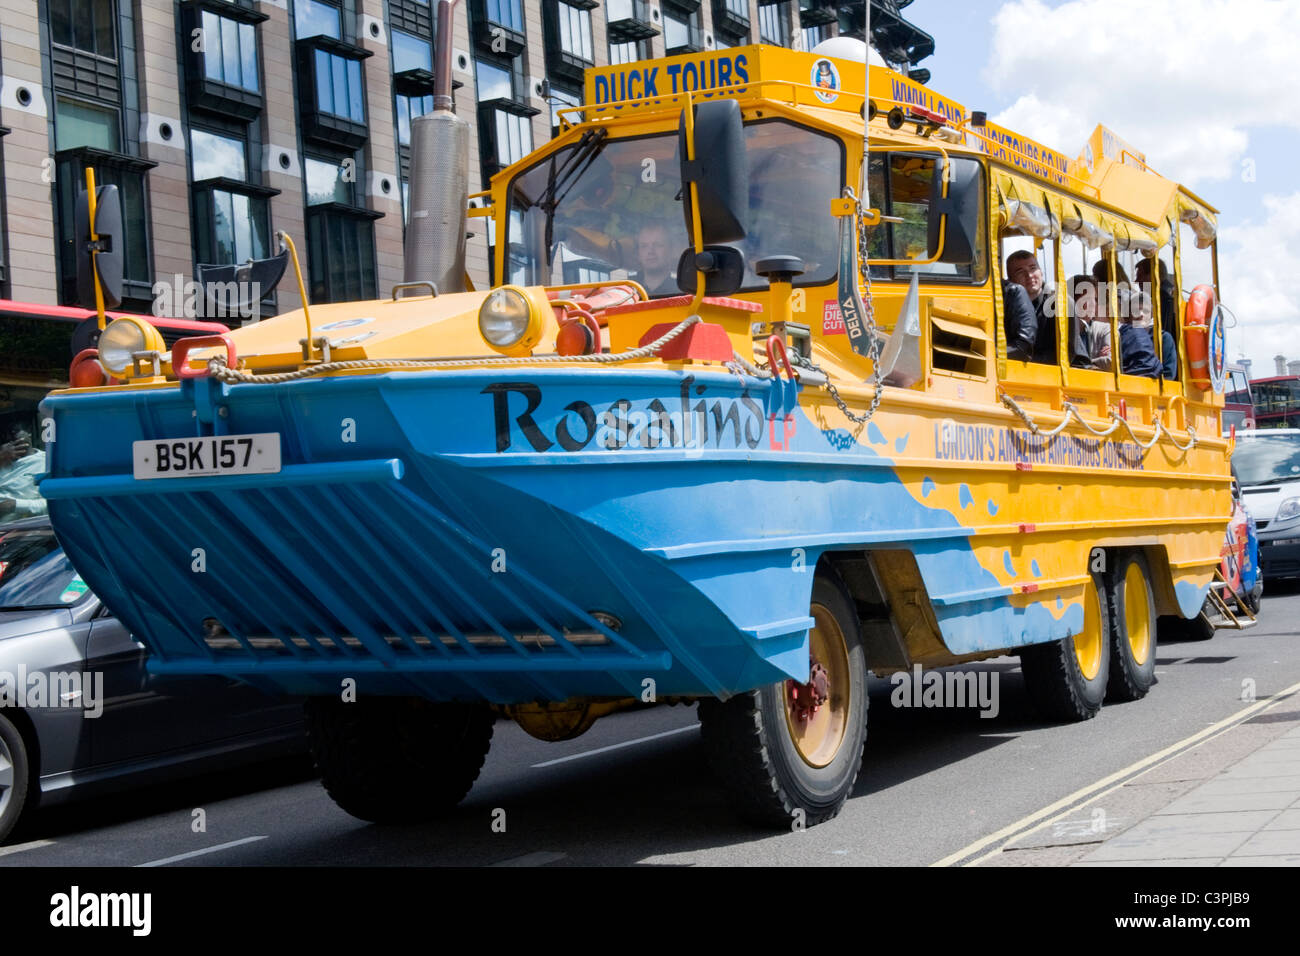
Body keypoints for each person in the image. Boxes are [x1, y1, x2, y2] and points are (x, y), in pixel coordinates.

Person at [1005, 250, 1056, 364]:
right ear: (1010, 280)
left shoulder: (1058, 305)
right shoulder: (1004, 308)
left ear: (1041, 272)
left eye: (1033, 268)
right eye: (1020, 272)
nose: (1029, 275)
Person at [0, 427, 47, 525]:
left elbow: (54, 504)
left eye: (15, 431)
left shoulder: (46, 462)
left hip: (21, 526)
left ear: (29, 433)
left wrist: (15, 505)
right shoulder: (2, 460)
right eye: (5, 434)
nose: (9, 438)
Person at [633, 221, 679, 297]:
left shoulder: (682, 290)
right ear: (638, 254)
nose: (650, 251)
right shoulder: (626, 290)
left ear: (671, 251)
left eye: (658, 245)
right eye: (644, 246)